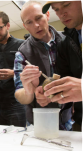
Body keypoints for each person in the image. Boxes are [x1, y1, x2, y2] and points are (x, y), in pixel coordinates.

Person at [13, 0, 72, 130]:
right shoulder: (22, 54)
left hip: (66, 119)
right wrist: (29, 90)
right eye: (29, 22)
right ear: (25, 26)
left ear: (47, 15)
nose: (36, 25)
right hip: (38, 122)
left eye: (39, 18)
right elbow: (19, 95)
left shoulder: (69, 41)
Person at [43, 0, 83, 131]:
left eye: (66, 5)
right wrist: (49, 92)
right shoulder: (65, 42)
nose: (61, 14)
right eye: (56, 9)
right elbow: (65, 82)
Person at [0, 11, 26, 127]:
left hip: (17, 102)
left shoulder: (22, 45)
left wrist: (14, 73)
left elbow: (31, 71)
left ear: (8, 25)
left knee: (17, 138)